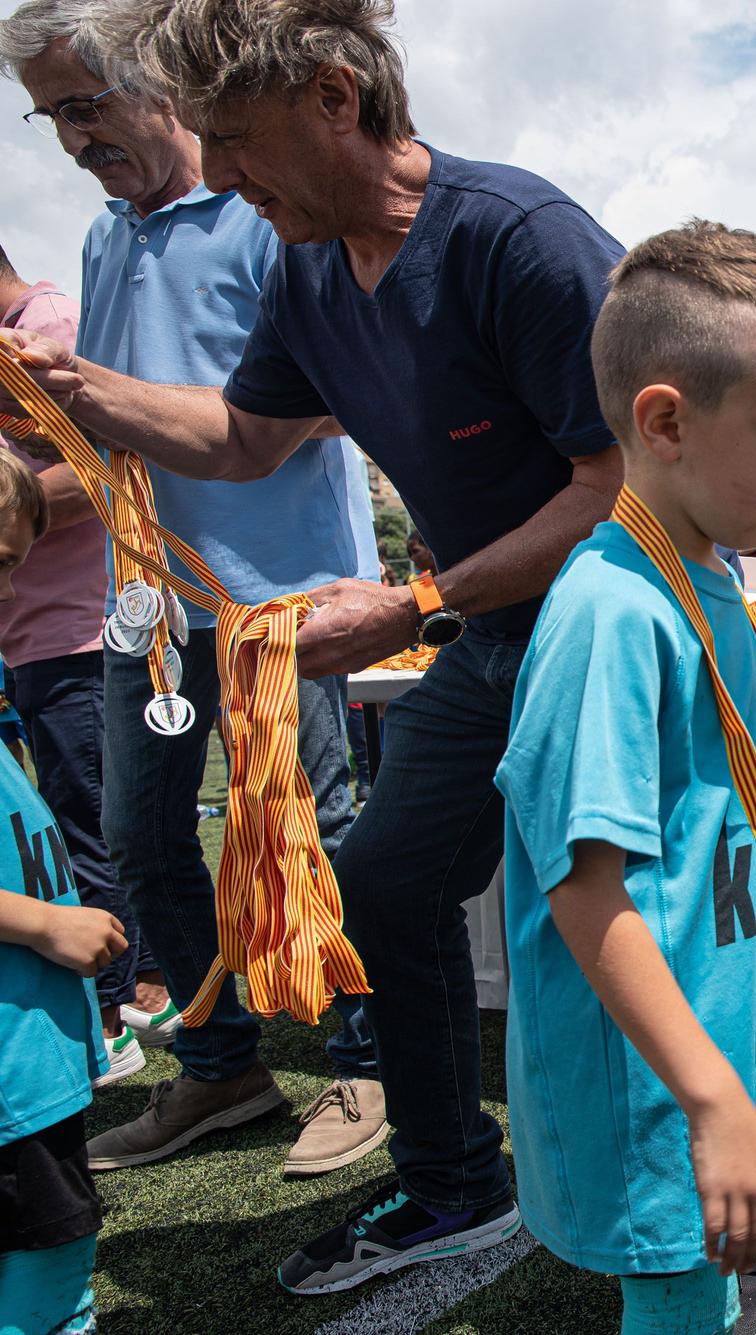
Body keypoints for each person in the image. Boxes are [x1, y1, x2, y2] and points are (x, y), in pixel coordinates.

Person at [2, 6, 756, 1318]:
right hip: (503, 631)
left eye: (233, 136)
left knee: (675, 922)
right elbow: (239, 433)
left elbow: (618, 483)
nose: (218, 175)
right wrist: (71, 388)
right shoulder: (307, 266)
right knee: (387, 877)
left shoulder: (519, 238)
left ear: (334, 97)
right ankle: (456, 1176)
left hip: (628, 616)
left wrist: (414, 601)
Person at [1, 0, 387, 1176]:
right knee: (137, 833)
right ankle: (222, 1072)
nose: (73, 139)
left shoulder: (270, 218)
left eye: (87, 106)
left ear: (161, 88)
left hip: (283, 595)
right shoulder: (108, 238)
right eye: (52, 115)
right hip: (151, 609)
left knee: (318, 829)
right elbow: (104, 424)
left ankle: (370, 1065)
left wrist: (116, 403)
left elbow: (335, 396)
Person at [496, 220, 756, 1335]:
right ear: (664, 422)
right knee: (676, 1294)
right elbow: (585, 888)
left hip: (701, 1030)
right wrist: (707, 1094)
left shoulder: (706, 578)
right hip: (647, 1079)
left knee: (698, 1288)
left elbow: (720, 804)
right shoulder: (610, 609)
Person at [0, 243, 169, 1085]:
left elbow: (109, 467)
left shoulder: (48, 327)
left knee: (94, 829)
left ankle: (118, 1008)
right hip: (30, 637)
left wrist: (10, 498)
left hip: (80, 629)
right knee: (65, 826)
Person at [0, 446, 114, 1335]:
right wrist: (44, 923)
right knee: (47, 1284)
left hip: (34, 1065)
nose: (7, 589)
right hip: (9, 1089)